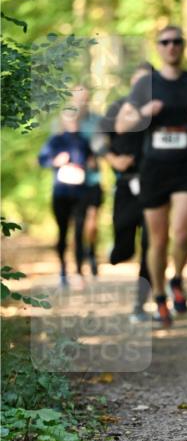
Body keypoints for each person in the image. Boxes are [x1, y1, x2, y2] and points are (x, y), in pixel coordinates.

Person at [117, 26, 187, 327]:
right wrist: (145, 111)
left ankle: (177, 279)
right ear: (157, 47)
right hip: (155, 168)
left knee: (182, 232)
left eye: (177, 42)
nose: (171, 47)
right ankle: (158, 297)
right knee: (157, 240)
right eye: (165, 42)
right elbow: (121, 124)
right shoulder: (146, 83)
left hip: (186, 165)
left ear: (183, 47)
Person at [104, 62, 153, 322]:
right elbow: (106, 137)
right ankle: (120, 249)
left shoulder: (161, 107)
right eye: (138, 82)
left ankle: (139, 302)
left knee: (150, 245)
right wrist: (113, 160)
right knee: (123, 233)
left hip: (152, 182)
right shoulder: (119, 106)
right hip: (125, 181)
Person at [38, 107, 92, 286]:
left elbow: (92, 160)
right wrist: (55, 161)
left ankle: (79, 271)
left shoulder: (84, 141)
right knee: (63, 232)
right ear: (62, 121)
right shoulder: (55, 141)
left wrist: (89, 164)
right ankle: (63, 271)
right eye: (68, 118)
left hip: (80, 193)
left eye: (75, 118)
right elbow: (42, 160)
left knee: (79, 233)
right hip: (61, 193)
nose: (72, 121)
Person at [71, 84, 106, 276]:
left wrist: (96, 155)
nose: (82, 101)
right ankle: (77, 263)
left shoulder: (97, 121)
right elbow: (57, 146)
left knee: (92, 223)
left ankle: (91, 252)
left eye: (85, 98)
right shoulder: (63, 121)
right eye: (78, 98)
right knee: (77, 223)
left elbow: (103, 145)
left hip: (93, 179)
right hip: (72, 182)